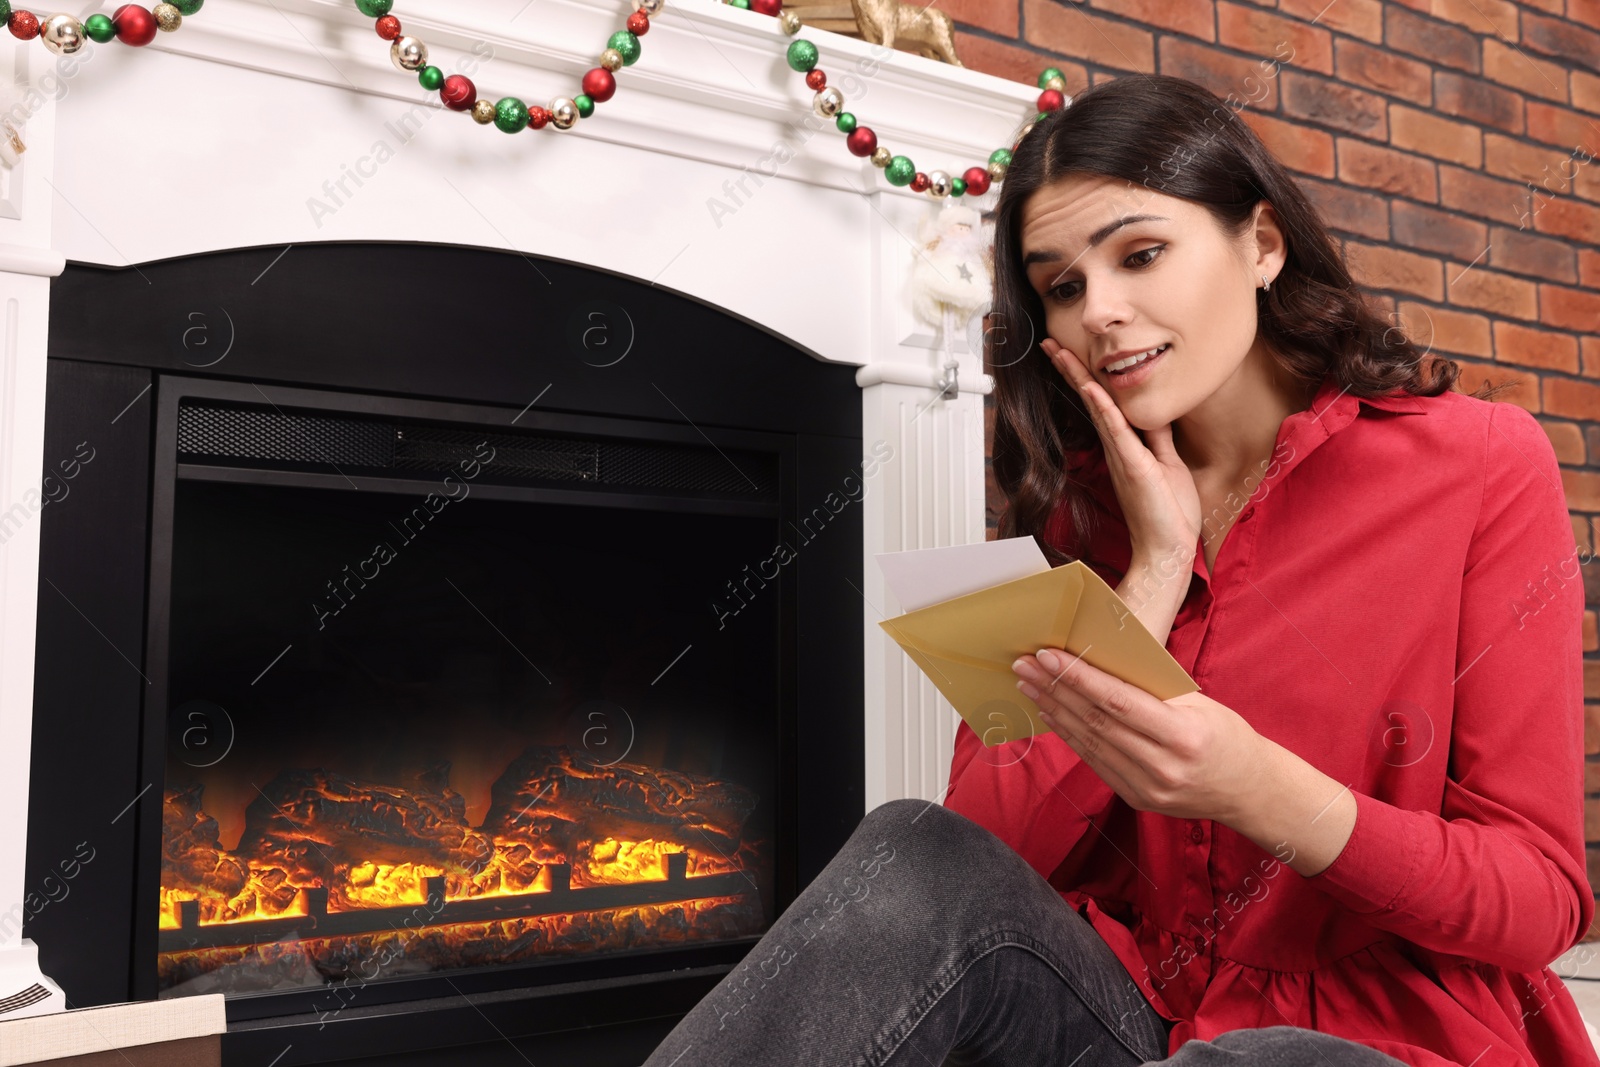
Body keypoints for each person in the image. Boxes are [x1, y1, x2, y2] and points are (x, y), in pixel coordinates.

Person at [640, 73, 1598, 1066]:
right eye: (1061, 285)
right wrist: (1150, 576)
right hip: (1134, 1018)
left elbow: (1539, 902)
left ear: (1261, 245)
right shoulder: (1069, 505)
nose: (1099, 310)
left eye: (1140, 254)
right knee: (910, 844)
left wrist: (1257, 787)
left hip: (1395, 1041)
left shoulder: (1479, 462)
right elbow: (970, 855)